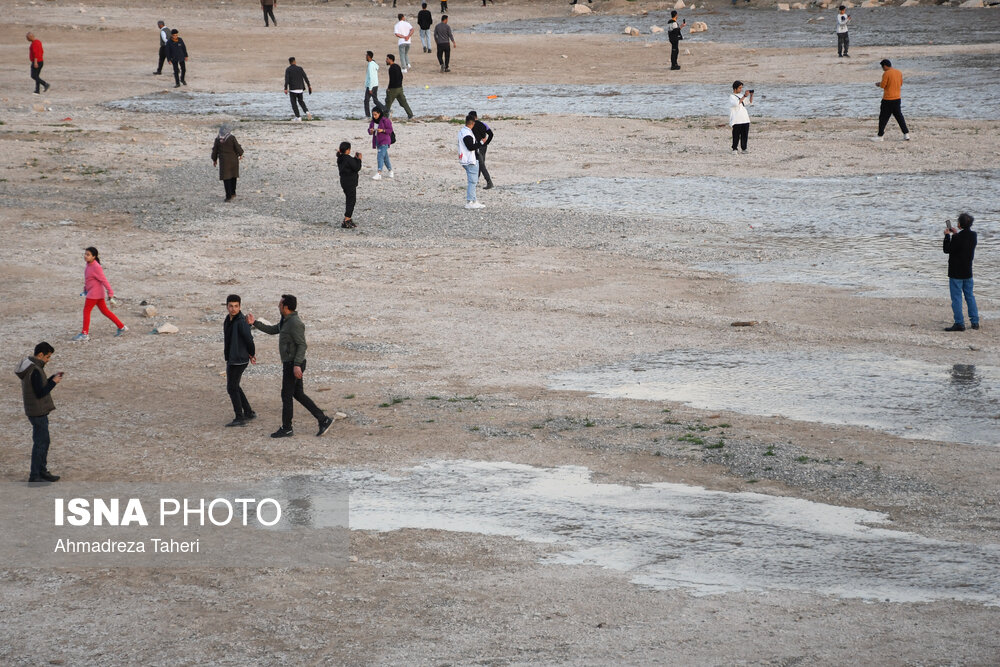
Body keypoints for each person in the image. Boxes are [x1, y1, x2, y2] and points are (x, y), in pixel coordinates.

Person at [247, 295, 334, 439]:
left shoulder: (295, 323)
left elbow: (302, 345)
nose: (278, 306)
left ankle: (287, 428)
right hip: (291, 364)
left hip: (293, 364)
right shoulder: (285, 320)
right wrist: (254, 323)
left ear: (286, 307)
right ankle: (323, 419)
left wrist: (297, 365)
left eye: (280, 304)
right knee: (298, 394)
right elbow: (274, 329)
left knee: (286, 395)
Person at [16, 342, 63, 483]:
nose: (48, 360)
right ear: (40, 355)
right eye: (47, 357)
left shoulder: (30, 366)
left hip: (34, 410)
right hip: (38, 412)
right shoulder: (35, 370)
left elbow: (38, 386)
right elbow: (40, 392)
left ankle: (41, 471)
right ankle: (36, 475)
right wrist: (53, 382)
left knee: (43, 441)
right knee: (41, 443)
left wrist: (49, 379)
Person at [73, 247, 127, 342]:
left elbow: (104, 280)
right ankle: (121, 327)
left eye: (88, 255)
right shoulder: (89, 265)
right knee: (105, 311)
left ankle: (84, 334)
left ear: (94, 256)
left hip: (94, 294)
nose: (85, 256)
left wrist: (110, 292)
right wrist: (85, 289)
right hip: (96, 293)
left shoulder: (96, 267)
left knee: (86, 311)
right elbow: (89, 280)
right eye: (85, 254)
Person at [223, 295, 257, 427]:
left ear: (240, 306)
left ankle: (240, 417)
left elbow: (249, 339)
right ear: (227, 306)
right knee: (235, 386)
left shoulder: (241, 322)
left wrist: (251, 353)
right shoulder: (228, 319)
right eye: (231, 306)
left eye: (236, 306)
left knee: (231, 387)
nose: (233, 309)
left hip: (239, 359)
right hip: (232, 358)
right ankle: (248, 412)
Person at [943, 213, 979, 332]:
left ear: (959, 224)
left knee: (957, 298)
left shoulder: (957, 238)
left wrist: (947, 236)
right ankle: (975, 322)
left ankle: (959, 323)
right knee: (970, 296)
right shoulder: (973, 235)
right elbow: (963, 242)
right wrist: (955, 234)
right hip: (968, 271)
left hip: (956, 272)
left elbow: (947, 249)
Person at [873, 59, 909, 142]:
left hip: (888, 99)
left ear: (885, 66)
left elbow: (883, 85)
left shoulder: (886, 73)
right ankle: (906, 134)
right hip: (897, 98)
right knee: (899, 117)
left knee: (883, 118)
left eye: (882, 67)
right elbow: (900, 83)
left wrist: (879, 84)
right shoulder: (898, 72)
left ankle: (880, 136)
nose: (882, 69)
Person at [211, 123, 244, 201]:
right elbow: (237, 147)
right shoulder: (231, 138)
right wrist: (241, 154)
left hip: (224, 162)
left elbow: (214, 150)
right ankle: (233, 193)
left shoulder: (218, 139)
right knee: (233, 176)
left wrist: (214, 159)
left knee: (226, 178)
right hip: (233, 161)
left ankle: (228, 196)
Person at [459, 113, 485, 209]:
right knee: (473, 181)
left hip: (465, 159)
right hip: (469, 160)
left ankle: (474, 200)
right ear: (473, 123)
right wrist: (481, 143)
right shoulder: (467, 133)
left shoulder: (462, 131)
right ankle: (470, 202)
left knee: (473, 181)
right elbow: (470, 147)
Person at [337, 141, 362, 228]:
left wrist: (355, 159)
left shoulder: (340, 158)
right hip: (350, 182)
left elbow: (351, 164)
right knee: (351, 200)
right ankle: (347, 220)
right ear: (348, 150)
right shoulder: (347, 158)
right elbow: (357, 167)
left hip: (344, 181)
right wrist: (359, 159)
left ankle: (347, 219)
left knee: (349, 199)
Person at [383, 54, 415, 120]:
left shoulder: (391, 68)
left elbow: (391, 80)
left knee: (388, 103)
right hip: (400, 88)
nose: (386, 60)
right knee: (404, 103)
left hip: (393, 89)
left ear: (390, 60)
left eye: (387, 59)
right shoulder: (397, 66)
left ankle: (385, 117)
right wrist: (399, 85)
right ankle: (410, 115)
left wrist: (389, 88)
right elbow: (401, 77)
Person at [468, 110, 494, 190]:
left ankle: (489, 182)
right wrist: (487, 142)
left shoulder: (471, 126)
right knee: (480, 163)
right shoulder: (483, 124)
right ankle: (476, 181)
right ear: (476, 116)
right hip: (484, 146)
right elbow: (491, 134)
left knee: (480, 164)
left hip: (478, 146)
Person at [284, 57, 313, 121]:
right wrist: (309, 85)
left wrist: (285, 88)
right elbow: (305, 77)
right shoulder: (300, 68)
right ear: (295, 61)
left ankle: (298, 117)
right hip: (300, 88)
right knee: (301, 101)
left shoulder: (288, 69)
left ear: (290, 62)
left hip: (293, 89)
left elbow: (287, 79)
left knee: (294, 103)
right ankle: (307, 112)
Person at [369, 107, 394, 180]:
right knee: (385, 157)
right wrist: (371, 131)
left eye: (375, 114)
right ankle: (390, 170)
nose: (374, 116)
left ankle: (379, 172)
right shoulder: (373, 122)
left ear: (379, 114)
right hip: (377, 141)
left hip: (385, 140)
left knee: (380, 156)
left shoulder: (385, 120)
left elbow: (390, 130)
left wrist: (382, 130)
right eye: (373, 115)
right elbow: (369, 131)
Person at [729, 81, 753, 153]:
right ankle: (734, 149)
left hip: (745, 118)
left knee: (744, 134)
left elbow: (749, 102)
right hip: (736, 119)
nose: (741, 89)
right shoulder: (731, 97)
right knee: (736, 135)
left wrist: (751, 95)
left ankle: (744, 148)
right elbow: (736, 104)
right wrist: (744, 96)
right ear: (735, 88)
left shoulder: (741, 95)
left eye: (741, 88)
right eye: (739, 88)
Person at [364, 51, 381, 119]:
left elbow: (371, 77)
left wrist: (370, 88)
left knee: (366, 100)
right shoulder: (373, 63)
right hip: (375, 84)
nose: (365, 57)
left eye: (366, 56)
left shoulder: (370, 65)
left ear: (368, 56)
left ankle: (368, 115)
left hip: (371, 85)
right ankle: (386, 110)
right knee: (375, 100)